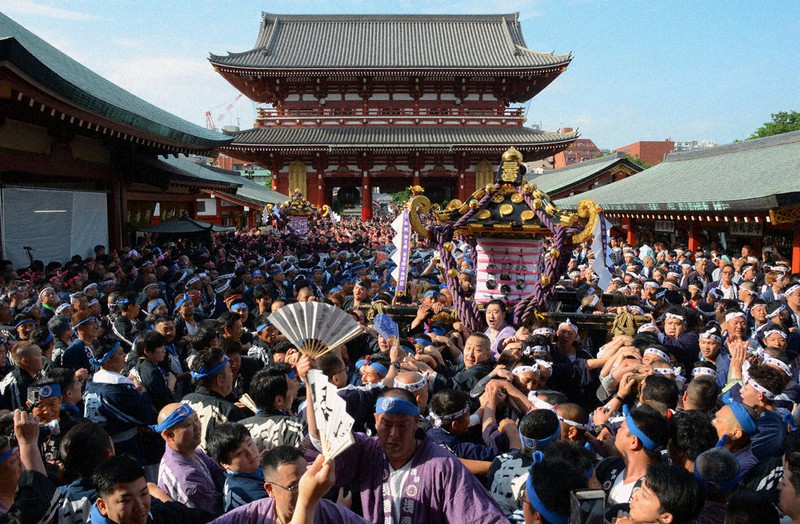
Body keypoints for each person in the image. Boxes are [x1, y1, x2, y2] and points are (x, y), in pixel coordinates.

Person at [308, 386, 508, 523]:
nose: (394, 434)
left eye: (402, 425)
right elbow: (323, 434)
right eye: (386, 424)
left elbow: (478, 515)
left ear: (415, 422)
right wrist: (311, 383)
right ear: (376, 421)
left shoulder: (442, 465)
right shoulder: (365, 450)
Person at [208, 446, 367, 524]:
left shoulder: (333, 514)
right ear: (270, 490)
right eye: (294, 487)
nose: (306, 491)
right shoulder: (249, 516)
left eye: (307, 481)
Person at [154, 403, 225, 517]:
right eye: (188, 425)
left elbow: (217, 471)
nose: (197, 427)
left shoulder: (192, 451)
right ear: (169, 435)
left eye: (196, 419)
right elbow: (216, 513)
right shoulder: (186, 479)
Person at [183, 346, 246, 449]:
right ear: (220, 379)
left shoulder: (185, 401)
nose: (232, 374)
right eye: (229, 370)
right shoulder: (228, 411)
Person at [238, 365, 306, 454]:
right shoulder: (297, 427)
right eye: (290, 387)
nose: (295, 386)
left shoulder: (239, 429)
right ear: (279, 400)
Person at [622, 462, 703, 524]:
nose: (634, 495)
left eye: (644, 495)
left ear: (666, 517)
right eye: (640, 489)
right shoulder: (621, 510)